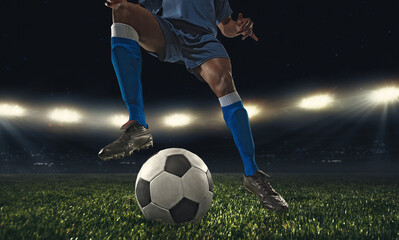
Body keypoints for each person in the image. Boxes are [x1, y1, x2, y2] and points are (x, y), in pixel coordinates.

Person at [98, 0, 289, 212]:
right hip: (168, 31)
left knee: (224, 82)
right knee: (122, 10)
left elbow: (225, 24)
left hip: (203, 39)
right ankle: (137, 126)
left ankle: (253, 175)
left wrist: (239, 27)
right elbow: (142, 7)